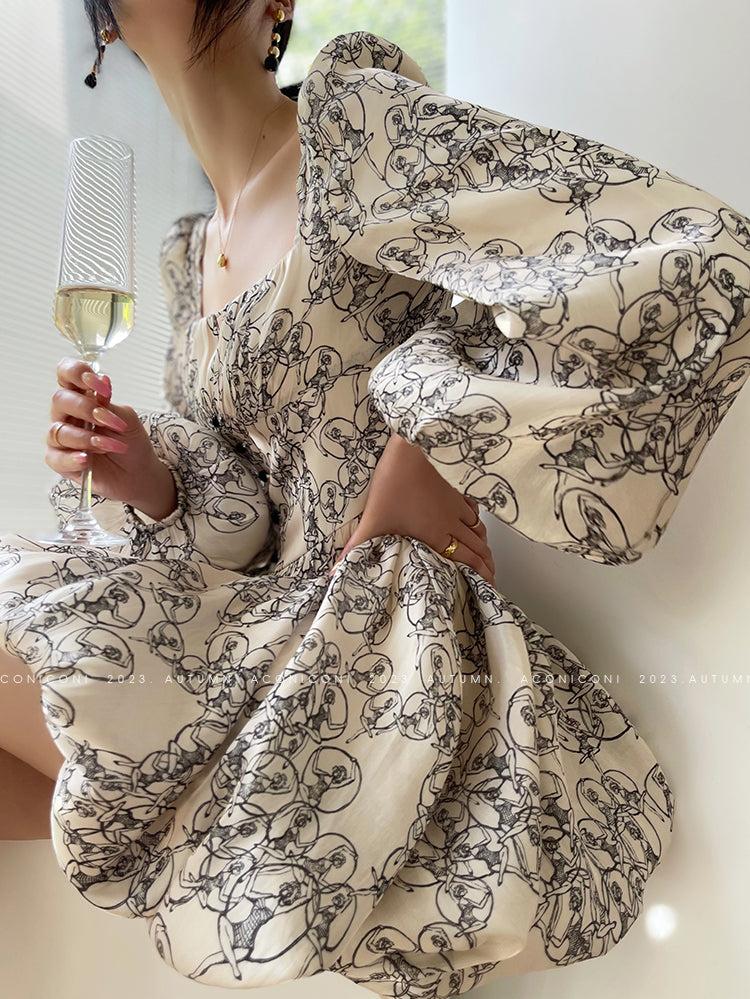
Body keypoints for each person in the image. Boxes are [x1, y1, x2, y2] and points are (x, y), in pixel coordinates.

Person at [0, 0, 749, 994]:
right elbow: (246, 521)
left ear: (277, 4)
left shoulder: (355, 126)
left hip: (377, 633)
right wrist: (151, 473)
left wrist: (429, 445)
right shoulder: (191, 251)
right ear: (106, 27)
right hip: (258, 630)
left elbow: (691, 255)